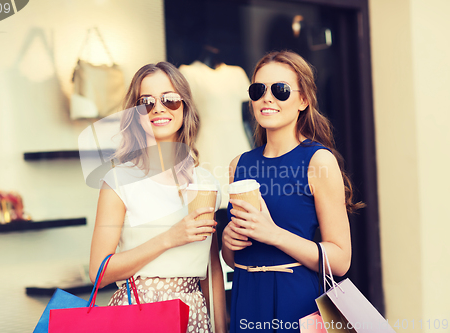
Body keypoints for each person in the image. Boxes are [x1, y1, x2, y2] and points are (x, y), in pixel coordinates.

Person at [222, 51, 364, 332]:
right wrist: (228, 242)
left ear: (303, 100)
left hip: (297, 303)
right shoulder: (239, 164)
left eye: (280, 90)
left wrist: (274, 234)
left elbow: (340, 260)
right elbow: (233, 259)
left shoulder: (318, 160)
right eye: (258, 90)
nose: (267, 98)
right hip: (246, 298)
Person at [89, 62, 227, 333]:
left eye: (170, 99)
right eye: (146, 102)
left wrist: (220, 327)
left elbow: (211, 267)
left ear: (185, 106)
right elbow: (98, 272)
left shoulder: (207, 183)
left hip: (194, 315)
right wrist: (169, 238)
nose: (158, 108)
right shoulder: (119, 181)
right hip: (137, 313)